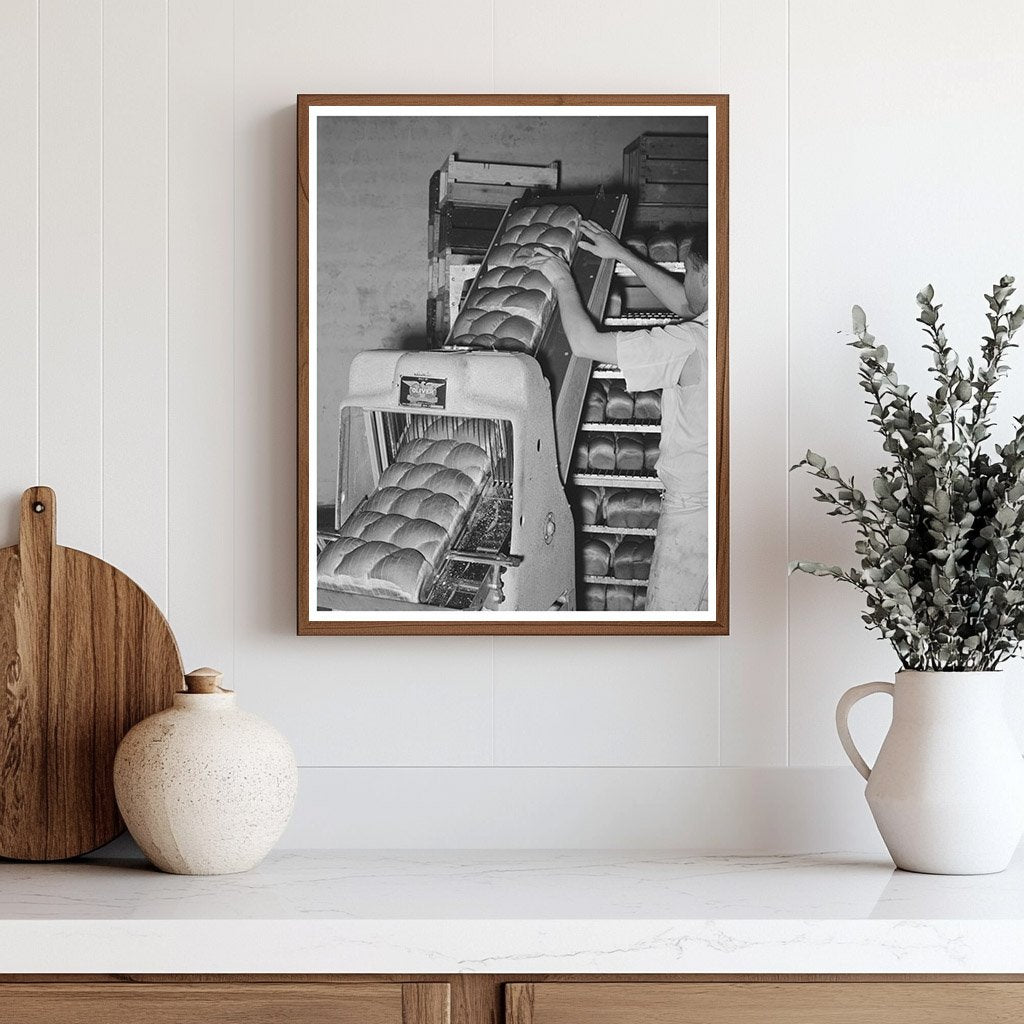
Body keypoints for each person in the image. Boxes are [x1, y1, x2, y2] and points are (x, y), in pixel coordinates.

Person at [526, 220, 710, 611]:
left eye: (690, 272)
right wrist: (622, 253)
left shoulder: (689, 342)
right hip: (733, 499)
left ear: (707, 275)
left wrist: (562, 280)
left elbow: (584, 343)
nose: (687, 281)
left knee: (672, 623)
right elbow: (686, 303)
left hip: (695, 512)